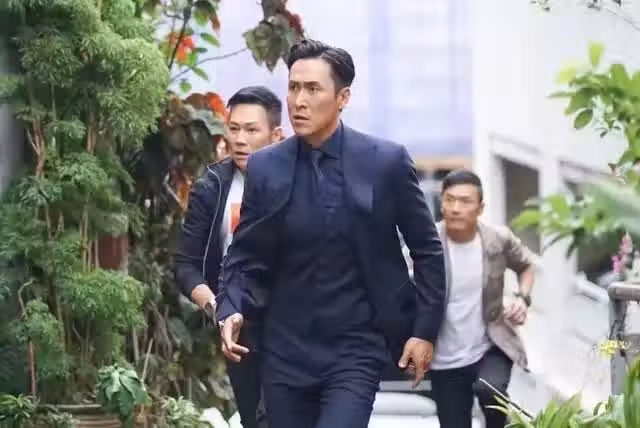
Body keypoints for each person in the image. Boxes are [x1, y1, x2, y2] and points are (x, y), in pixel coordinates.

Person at [215, 39, 446, 428]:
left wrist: (424, 331)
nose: (299, 101)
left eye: (313, 89)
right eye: (293, 88)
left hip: (356, 349)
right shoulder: (266, 166)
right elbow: (245, 255)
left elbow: (427, 250)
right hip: (284, 350)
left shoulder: (384, 162)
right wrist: (231, 308)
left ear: (343, 98)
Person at [173, 85, 283, 428]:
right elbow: (186, 265)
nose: (240, 139)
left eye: (251, 130)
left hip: (292, 325)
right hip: (240, 330)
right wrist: (218, 308)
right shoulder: (212, 186)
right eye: (234, 128)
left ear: (276, 135)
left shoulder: (299, 181)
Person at [430, 169, 537, 428]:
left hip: (490, 346)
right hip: (443, 359)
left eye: (465, 201)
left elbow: (526, 265)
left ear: (480, 207)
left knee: (490, 391)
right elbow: (398, 284)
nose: (455, 208)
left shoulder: (497, 239)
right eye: (449, 200)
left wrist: (522, 299)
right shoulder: (426, 243)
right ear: (441, 203)